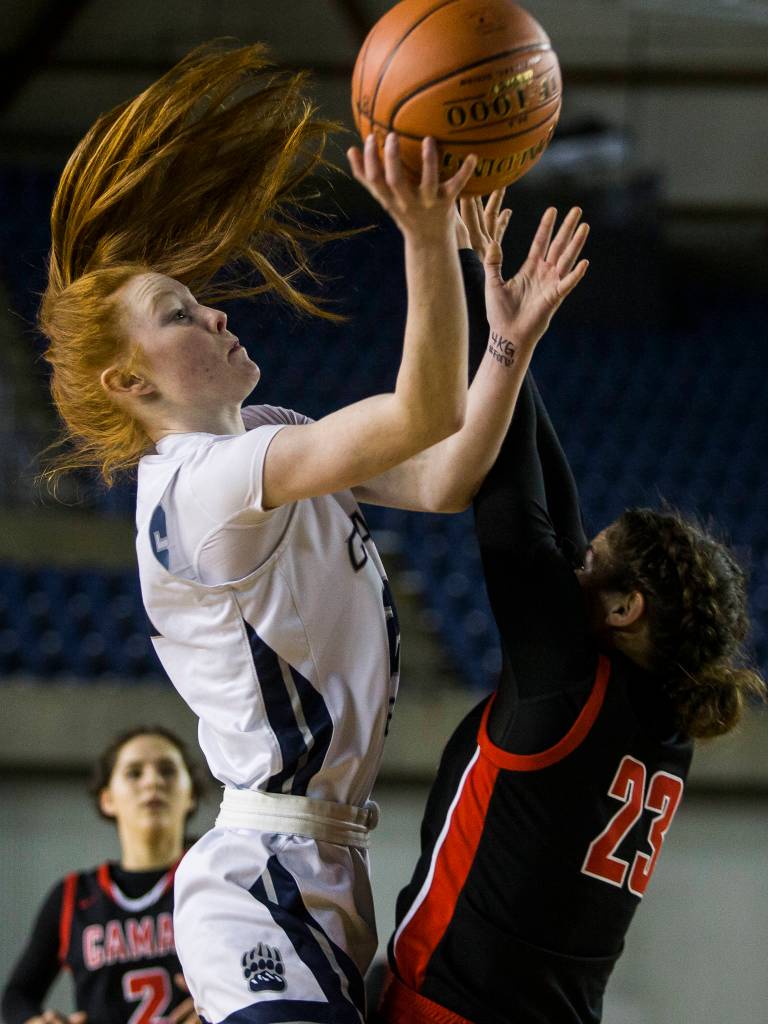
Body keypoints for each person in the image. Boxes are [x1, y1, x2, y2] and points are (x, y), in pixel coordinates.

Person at [37, 40, 589, 1023]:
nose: (212, 312)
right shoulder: (203, 484)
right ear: (132, 383)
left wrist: (506, 340)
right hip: (260, 880)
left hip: (324, 867)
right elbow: (422, 413)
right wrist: (426, 241)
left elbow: (445, 474)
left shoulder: (264, 440)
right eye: (177, 314)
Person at [376, 197, 767, 1024]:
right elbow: (555, 512)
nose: (577, 551)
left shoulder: (569, 689)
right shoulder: (660, 720)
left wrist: (509, 341)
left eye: (594, 559)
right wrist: (517, 342)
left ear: (624, 608)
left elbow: (517, 511)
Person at [2, 727, 206, 1024]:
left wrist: (221, 1008)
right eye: (134, 773)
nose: (152, 781)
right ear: (107, 799)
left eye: (167, 771)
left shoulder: (213, 881)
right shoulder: (73, 895)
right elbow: (17, 995)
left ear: (191, 794)